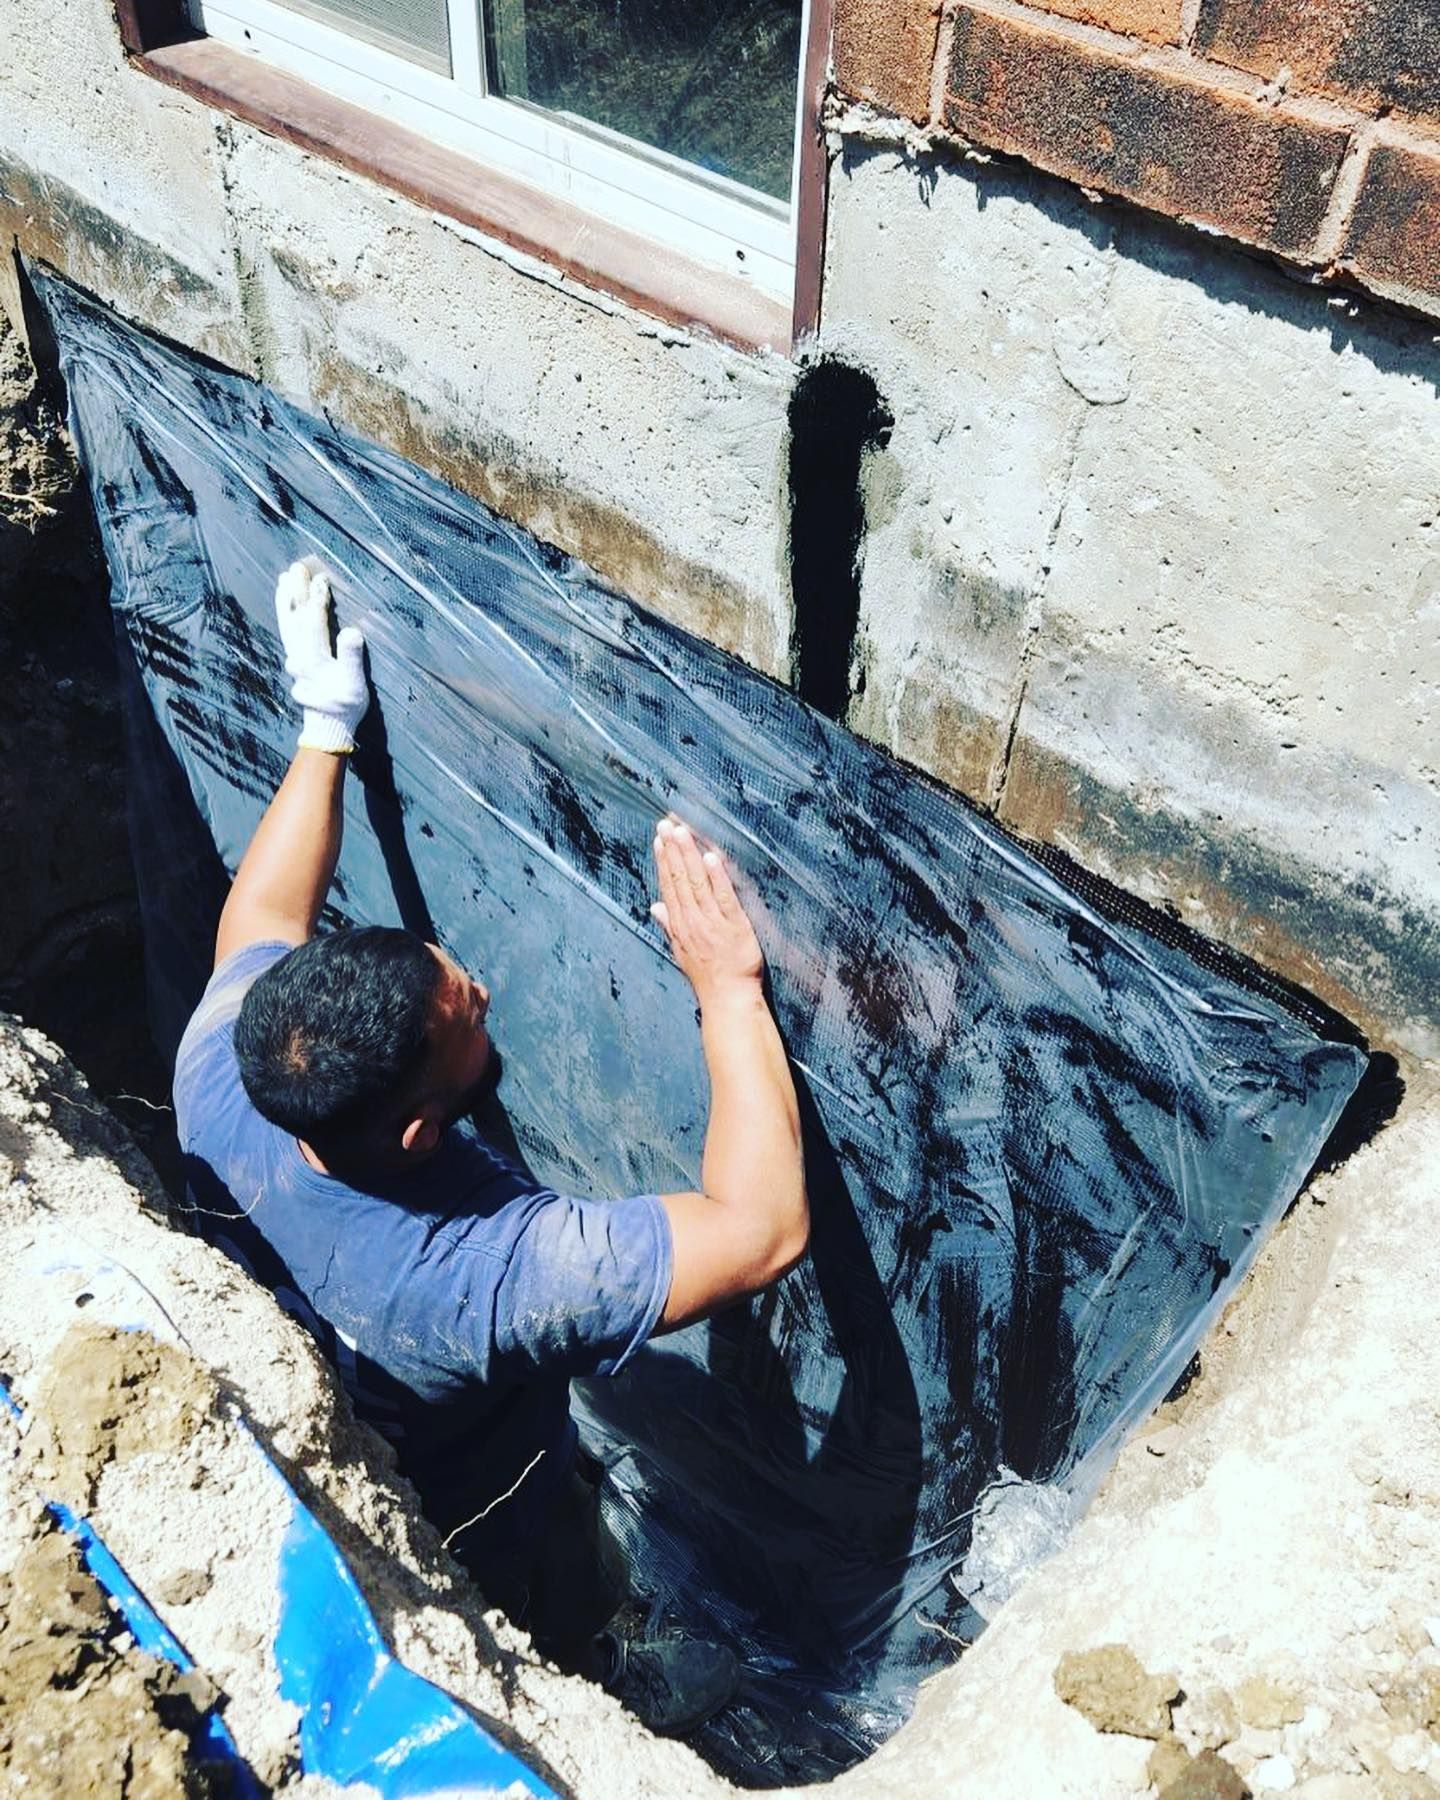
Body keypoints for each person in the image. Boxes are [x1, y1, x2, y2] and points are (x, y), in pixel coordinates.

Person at [172, 558, 809, 1737]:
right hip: (472, 1505)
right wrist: (726, 989)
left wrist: (325, 729)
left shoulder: (234, 1064)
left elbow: (259, 921)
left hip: (367, 1387)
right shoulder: (478, 1278)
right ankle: (603, 1680)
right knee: (552, 1594)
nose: (483, 987)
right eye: (465, 1017)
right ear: (419, 1131)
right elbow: (763, 1229)